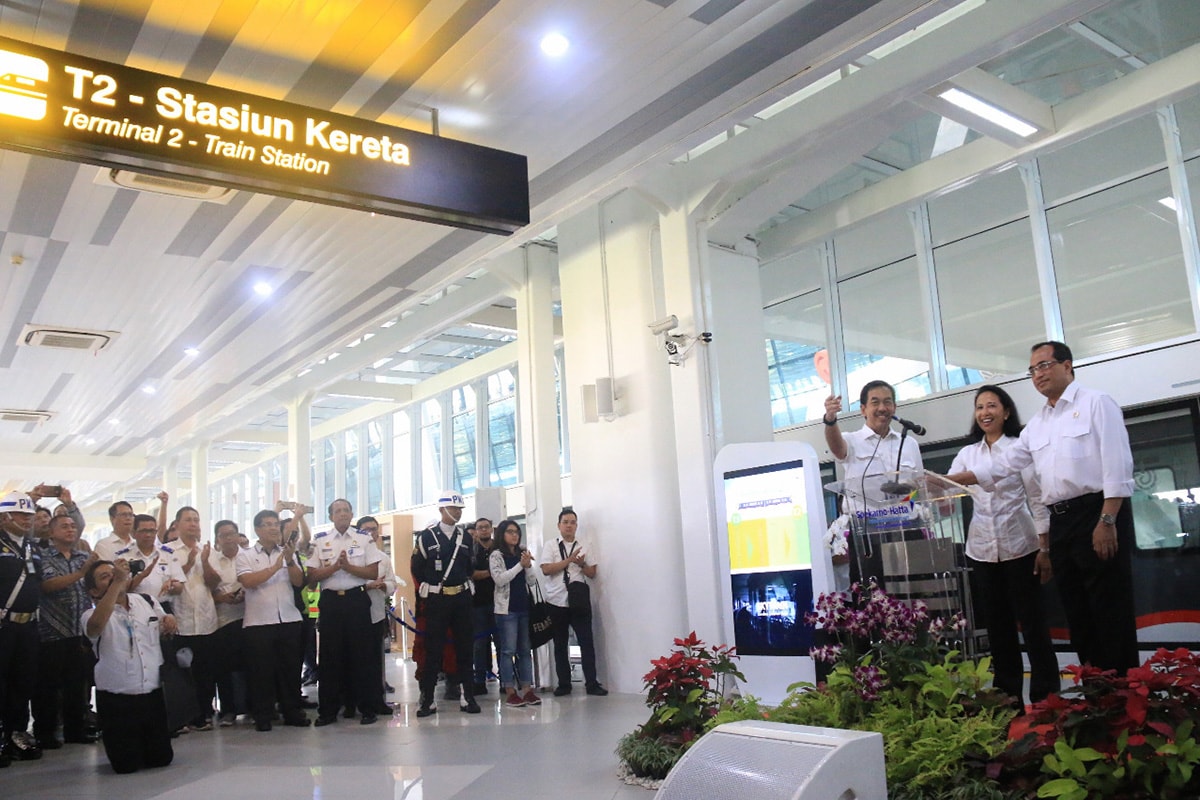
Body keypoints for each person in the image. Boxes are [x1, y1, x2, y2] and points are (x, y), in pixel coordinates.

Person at [948, 341, 1139, 673]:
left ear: (1068, 366)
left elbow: (1118, 465)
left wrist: (1108, 518)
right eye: (1032, 369)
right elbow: (1002, 466)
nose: (1038, 374)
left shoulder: (1097, 403)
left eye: (1045, 365)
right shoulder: (1038, 425)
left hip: (1097, 514)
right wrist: (951, 479)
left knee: (1108, 608)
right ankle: (1096, 693)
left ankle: (1123, 700)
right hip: (1061, 522)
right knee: (1077, 611)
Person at [948, 385, 1059, 706]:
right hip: (981, 550)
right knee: (998, 630)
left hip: (1021, 548)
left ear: (1006, 412)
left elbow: (1037, 499)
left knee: (1035, 626)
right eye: (979, 407)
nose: (985, 412)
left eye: (992, 406)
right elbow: (946, 488)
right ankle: (1008, 698)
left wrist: (1045, 547)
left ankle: (1046, 698)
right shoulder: (967, 454)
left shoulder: (1019, 448)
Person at [82, 560, 176, 774]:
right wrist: (117, 583)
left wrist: (169, 619)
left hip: (152, 691)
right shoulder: (90, 615)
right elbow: (95, 628)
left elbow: (162, 620)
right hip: (118, 697)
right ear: (93, 591)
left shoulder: (145, 601)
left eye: (113, 573)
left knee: (161, 759)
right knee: (126, 765)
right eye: (105, 577)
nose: (113, 577)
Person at [306, 498, 382, 726]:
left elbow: (372, 572)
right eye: (337, 511)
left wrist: (348, 567)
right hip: (331, 603)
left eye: (346, 510)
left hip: (356, 600)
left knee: (363, 656)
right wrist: (335, 567)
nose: (342, 514)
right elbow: (311, 578)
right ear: (330, 516)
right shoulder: (320, 541)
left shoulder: (364, 538)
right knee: (330, 658)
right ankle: (327, 711)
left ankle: (368, 708)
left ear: (351, 514)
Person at [235, 509, 310, 732]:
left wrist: (289, 562)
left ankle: (292, 711)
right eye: (267, 524)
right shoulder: (245, 554)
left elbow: (298, 582)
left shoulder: (288, 552)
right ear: (257, 529)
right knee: (261, 672)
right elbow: (248, 581)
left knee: (290, 669)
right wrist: (275, 567)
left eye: (275, 524)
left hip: (288, 618)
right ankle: (263, 714)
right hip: (259, 622)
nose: (273, 528)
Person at [32, 514, 99, 749]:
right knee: (48, 687)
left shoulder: (84, 557)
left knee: (77, 684)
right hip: (52, 632)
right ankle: (45, 732)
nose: (70, 530)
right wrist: (81, 574)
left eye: (73, 526)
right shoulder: (44, 557)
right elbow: (48, 585)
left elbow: (94, 587)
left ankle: (75, 730)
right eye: (64, 526)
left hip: (79, 631)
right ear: (51, 533)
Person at [412, 492, 480, 717]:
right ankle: (428, 700)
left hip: (461, 598)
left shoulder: (466, 537)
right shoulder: (426, 537)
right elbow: (417, 568)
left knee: (464, 649)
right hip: (438, 599)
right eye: (453, 508)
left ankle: (467, 696)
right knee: (433, 650)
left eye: (460, 508)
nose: (458, 512)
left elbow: (469, 567)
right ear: (442, 510)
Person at [540, 507, 607, 697]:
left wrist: (581, 564)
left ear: (576, 525)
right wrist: (569, 559)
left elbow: (592, 573)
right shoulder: (551, 545)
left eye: (573, 522)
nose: (569, 526)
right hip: (556, 600)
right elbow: (546, 569)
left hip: (578, 601)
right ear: (559, 525)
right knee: (560, 644)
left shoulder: (584, 545)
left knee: (586, 642)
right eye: (566, 522)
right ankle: (564, 684)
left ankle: (592, 683)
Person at [0, 491, 44, 766]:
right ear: (5, 517)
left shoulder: (32, 547)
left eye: (29, 515)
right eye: (21, 515)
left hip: (28, 626)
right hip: (3, 624)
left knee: (23, 681)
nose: (27, 520)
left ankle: (16, 732)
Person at [169, 506, 220, 731]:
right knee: (181, 673)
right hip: (181, 622)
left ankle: (204, 714)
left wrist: (205, 561)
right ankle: (183, 716)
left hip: (206, 621)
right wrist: (189, 563)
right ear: (177, 524)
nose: (193, 524)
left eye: (196, 520)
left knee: (206, 671)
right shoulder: (167, 551)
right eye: (188, 520)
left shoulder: (207, 550)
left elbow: (214, 583)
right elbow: (169, 585)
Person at [489, 520, 540, 707]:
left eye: (517, 532)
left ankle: (527, 689)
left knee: (525, 650)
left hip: (523, 607)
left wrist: (527, 565)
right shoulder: (496, 555)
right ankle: (510, 690)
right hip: (506, 609)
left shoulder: (522, 552)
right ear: (502, 534)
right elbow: (500, 580)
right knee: (507, 650)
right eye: (510, 532)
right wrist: (520, 564)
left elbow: (532, 581)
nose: (514, 535)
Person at [357, 515, 399, 716]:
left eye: (374, 529)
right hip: (353, 613)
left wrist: (384, 586)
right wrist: (367, 585)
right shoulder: (351, 554)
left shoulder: (383, 558)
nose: (371, 533)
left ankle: (377, 700)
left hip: (375, 613)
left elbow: (392, 583)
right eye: (366, 530)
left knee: (375, 660)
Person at [210, 520, 247, 726]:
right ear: (218, 539)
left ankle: (251, 706)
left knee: (251, 664)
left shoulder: (249, 556)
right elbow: (206, 588)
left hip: (248, 616)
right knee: (225, 667)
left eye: (232, 533)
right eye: (224, 535)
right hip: (223, 619)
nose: (229, 538)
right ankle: (228, 710)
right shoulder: (213, 560)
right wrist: (222, 597)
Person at [469, 517, 497, 696]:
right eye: (480, 528)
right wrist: (494, 573)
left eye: (487, 527)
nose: (484, 530)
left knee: (503, 643)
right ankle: (479, 681)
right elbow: (470, 574)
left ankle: (507, 680)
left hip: (500, 602)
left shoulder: (500, 548)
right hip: (477, 603)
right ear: (476, 531)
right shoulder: (472, 551)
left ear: (491, 529)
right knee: (479, 644)